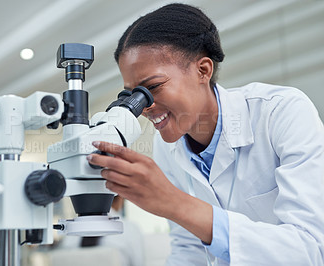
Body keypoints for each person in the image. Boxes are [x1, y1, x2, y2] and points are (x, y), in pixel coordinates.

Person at [86, 3, 324, 265]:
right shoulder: (167, 145)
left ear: (203, 70)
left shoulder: (281, 112)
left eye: (152, 87)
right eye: (132, 95)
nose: (144, 107)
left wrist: (175, 203)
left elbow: (311, 250)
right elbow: (189, 249)